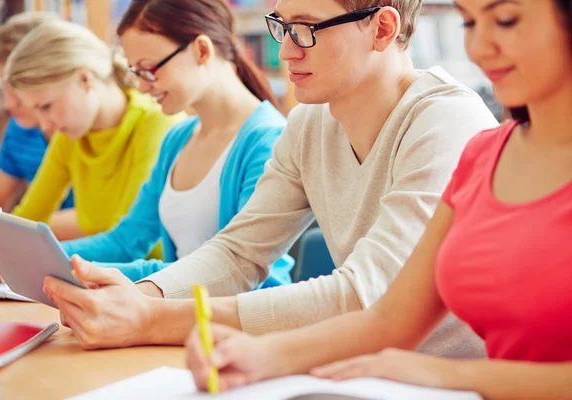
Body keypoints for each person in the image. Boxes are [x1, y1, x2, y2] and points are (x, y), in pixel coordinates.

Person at [42, 0, 498, 354]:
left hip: (454, 382)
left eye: (306, 30)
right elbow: (239, 253)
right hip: (363, 368)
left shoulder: (446, 121)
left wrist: (151, 318)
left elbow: (364, 295)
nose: (285, 50)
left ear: (381, 28)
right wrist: (144, 293)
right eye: (281, 26)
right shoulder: (309, 123)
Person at [183, 0, 572, 397]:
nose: (477, 48)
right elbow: (389, 319)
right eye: (469, 23)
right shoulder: (485, 154)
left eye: (506, 21)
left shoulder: (450, 122)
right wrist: (261, 355)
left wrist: (450, 376)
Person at [48, 0, 294, 287]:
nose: (141, 86)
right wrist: (49, 258)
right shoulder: (178, 139)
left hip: (239, 326)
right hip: (179, 314)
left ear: (201, 51)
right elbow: (127, 240)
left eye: (149, 69)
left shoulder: (269, 141)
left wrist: (94, 273)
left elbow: (240, 271)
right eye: (135, 73)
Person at [0, 19, 185, 282]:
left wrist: (24, 257)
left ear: (85, 78)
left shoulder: (158, 124)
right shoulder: (70, 135)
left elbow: (128, 241)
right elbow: (28, 217)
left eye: (46, 106)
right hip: (97, 284)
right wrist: (1, 252)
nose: (44, 125)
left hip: (151, 288)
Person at [0, 12, 73, 226]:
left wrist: (18, 229)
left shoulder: (80, 129)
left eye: (16, 90)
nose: (7, 105)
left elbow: (104, 221)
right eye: (3, 89)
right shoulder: (20, 127)